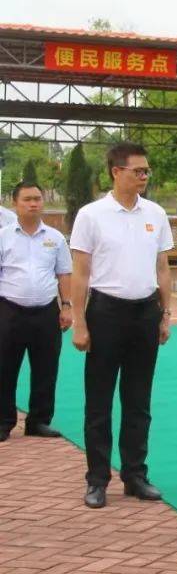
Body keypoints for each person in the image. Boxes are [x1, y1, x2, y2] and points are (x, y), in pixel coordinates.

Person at [69, 142, 174, 509]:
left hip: (145, 314)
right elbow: (80, 274)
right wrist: (79, 321)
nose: (144, 176)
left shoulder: (156, 214)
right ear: (117, 171)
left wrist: (165, 314)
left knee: (138, 401)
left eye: (147, 171)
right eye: (138, 171)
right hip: (106, 314)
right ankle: (97, 479)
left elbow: (163, 269)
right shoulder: (91, 215)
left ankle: (135, 475)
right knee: (98, 402)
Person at [0, 182, 73, 442]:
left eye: (38, 199)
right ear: (14, 204)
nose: (34, 204)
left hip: (46, 312)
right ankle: (3, 422)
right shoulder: (4, 236)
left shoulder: (54, 238)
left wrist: (67, 306)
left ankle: (39, 421)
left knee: (46, 368)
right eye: (27, 199)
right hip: (9, 310)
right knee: (4, 368)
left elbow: (64, 273)